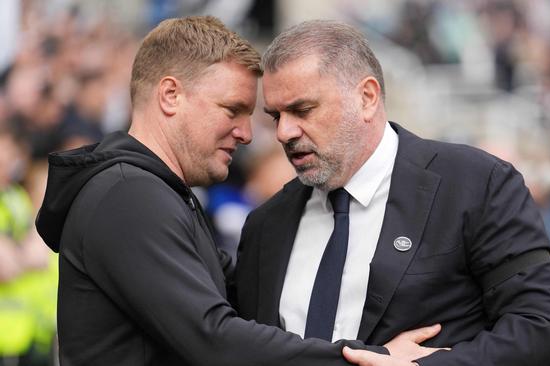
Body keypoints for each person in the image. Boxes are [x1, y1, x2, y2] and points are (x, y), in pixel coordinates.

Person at [35, 16, 435, 366]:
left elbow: (251, 293)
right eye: (232, 110)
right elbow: (215, 339)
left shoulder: (157, 193)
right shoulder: (129, 196)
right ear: (170, 95)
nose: (247, 134)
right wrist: (365, 357)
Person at [235, 20, 550, 366]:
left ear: (366, 97)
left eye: (302, 110)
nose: (284, 132)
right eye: (275, 116)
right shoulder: (266, 224)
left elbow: (544, 331)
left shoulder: (476, 185)